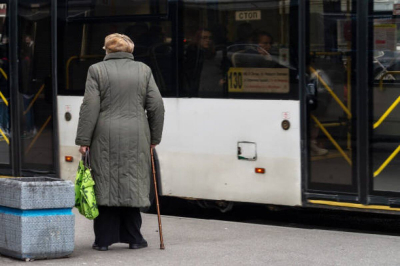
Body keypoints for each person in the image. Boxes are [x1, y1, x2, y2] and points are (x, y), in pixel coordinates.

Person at [75, 33, 165, 251]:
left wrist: (84, 140)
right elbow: (157, 106)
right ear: (130, 50)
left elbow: (90, 107)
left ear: (106, 50)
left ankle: (103, 241)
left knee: (104, 182)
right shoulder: (144, 70)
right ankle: (135, 239)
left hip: (104, 133)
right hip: (137, 134)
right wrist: (154, 138)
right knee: (133, 182)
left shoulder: (96, 70)